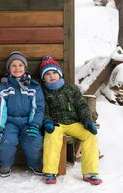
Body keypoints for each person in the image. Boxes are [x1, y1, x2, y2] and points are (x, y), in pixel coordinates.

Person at [39, 55, 102, 185]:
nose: (52, 76)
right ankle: (50, 171)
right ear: (43, 77)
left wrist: (87, 121)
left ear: (60, 74)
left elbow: (82, 106)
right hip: (56, 123)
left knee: (90, 135)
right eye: (48, 74)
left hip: (74, 123)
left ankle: (90, 172)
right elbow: (42, 109)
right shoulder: (43, 92)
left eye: (54, 72)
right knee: (51, 136)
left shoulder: (71, 89)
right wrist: (47, 122)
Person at [0, 51, 45, 177]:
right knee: (6, 140)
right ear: (9, 68)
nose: (17, 68)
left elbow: (38, 108)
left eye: (20, 65)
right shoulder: (2, 88)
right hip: (10, 122)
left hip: (28, 122)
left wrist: (35, 124)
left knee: (34, 140)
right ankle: (5, 164)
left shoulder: (34, 87)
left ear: (25, 67)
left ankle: (35, 164)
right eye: (13, 65)